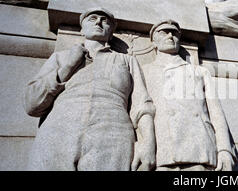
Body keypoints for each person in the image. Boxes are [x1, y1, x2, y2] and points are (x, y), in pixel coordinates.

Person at [24, 7, 155, 171]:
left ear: (111, 31)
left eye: (105, 20)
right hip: (58, 133)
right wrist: (68, 67)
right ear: (82, 29)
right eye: (93, 19)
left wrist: (148, 144)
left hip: (112, 136)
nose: (99, 22)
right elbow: (32, 104)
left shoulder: (126, 60)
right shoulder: (60, 58)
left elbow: (142, 105)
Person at [138, 19, 236, 171]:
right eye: (164, 32)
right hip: (163, 152)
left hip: (200, 149)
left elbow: (216, 112)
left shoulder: (199, 71)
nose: (170, 36)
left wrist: (224, 149)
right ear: (154, 42)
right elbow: (139, 110)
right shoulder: (145, 71)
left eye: (174, 33)